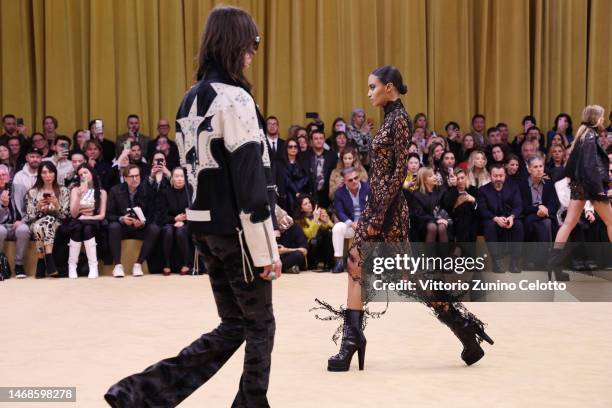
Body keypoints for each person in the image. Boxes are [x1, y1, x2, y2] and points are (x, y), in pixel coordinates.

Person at [105, 6, 281, 408]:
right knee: (260, 326)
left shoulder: (189, 99)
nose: (254, 52)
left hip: (205, 229)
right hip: (237, 233)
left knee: (235, 324)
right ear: (235, 43)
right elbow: (248, 179)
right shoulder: (236, 99)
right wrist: (266, 250)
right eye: (252, 43)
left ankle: (139, 393)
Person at [323, 65, 493, 374]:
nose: (369, 91)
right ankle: (351, 340)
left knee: (409, 280)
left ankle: (464, 327)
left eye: (373, 86)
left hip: (388, 212)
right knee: (355, 262)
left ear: (389, 87)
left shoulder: (400, 119)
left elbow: (400, 170)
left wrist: (377, 216)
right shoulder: (389, 117)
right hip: (378, 206)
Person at [548, 105, 612, 276]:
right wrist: (598, 190)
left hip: (579, 185)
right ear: (596, 118)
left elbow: (570, 167)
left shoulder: (581, 135)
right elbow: (590, 167)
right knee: (611, 222)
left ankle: (552, 264)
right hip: (591, 186)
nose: (604, 119)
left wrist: (576, 182)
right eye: (602, 116)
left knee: (568, 223)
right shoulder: (591, 136)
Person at [105, 164, 160, 278]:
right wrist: (121, 219)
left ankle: (138, 263)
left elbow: (154, 213)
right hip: (124, 227)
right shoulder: (115, 190)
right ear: (125, 178)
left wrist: (144, 222)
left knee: (154, 229)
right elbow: (109, 214)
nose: (135, 179)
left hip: (141, 228)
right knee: (113, 227)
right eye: (131, 176)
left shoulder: (148, 190)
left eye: (137, 176)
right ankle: (118, 265)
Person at [22, 162, 70, 278]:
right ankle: (48, 258)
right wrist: (38, 208)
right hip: (36, 224)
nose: (48, 175)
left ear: (55, 174)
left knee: (48, 219)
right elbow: (29, 217)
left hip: (57, 223)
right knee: (40, 225)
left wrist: (57, 205)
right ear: (40, 175)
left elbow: (65, 216)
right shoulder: (32, 192)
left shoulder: (64, 191)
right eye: (44, 172)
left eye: (50, 172)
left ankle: (41, 261)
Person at [477, 164, 524, 272]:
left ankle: (514, 262)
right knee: (489, 226)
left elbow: (518, 205)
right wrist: (495, 218)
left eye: (501, 175)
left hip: (509, 218)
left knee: (519, 225)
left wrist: (512, 217)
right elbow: (482, 210)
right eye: (495, 175)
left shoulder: (513, 187)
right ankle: (496, 261)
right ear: (490, 176)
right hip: (492, 219)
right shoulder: (483, 190)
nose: (498, 178)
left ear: (505, 175)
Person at [67, 163, 107, 279]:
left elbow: (102, 215)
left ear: (92, 173)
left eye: (85, 172)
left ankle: (93, 266)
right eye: (80, 174)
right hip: (78, 221)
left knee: (88, 228)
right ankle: (72, 266)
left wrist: (88, 217)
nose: (83, 176)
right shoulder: (75, 190)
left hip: (93, 221)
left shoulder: (102, 192)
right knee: (78, 227)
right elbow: (73, 214)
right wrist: (79, 196)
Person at [331, 168, 370, 273]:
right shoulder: (339, 192)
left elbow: (373, 208)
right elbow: (339, 212)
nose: (354, 181)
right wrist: (350, 223)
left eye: (356, 178)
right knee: (337, 228)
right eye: (350, 180)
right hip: (350, 225)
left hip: (367, 224)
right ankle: (339, 261)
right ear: (344, 181)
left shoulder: (368, 188)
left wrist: (362, 221)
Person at [159, 167, 193, 276]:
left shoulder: (191, 190)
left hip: (188, 223)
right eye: (176, 176)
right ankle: (167, 263)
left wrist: (184, 220)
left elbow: (195, 209)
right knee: (168, 231)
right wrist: (175, 219)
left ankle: (187, 263)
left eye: (182, 176)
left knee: (180, 231)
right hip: (169, 222)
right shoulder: (165, 192)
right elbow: (162, 215)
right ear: (172, 178)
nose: (179, 179)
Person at [0, 164, 30, 278]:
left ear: (9, 176)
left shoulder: (21, 188)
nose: (2, 178)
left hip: (18, 224)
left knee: (23, 229)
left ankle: (19, 265)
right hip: (1, 225)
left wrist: (22, 221)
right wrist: (3, 206)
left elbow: (30, 210)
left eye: (4, 175)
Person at [299, 129, 338, 209]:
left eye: (321, 138)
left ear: (324, 140)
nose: (319, 141)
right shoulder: (303, 156)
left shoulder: (332, 156)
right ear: (311, 141)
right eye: (316, 138)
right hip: (309, 194)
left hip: (326, 195)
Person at [294, 194, 333, 270]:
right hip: (311, 246)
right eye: (305, 204)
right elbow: (309, 235)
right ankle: (314, 264)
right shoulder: (299, 220)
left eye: (309, 202)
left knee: (329, 234)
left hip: (324, 243)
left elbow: (332, 227)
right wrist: (315, 220)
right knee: (314, 240)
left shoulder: (321, 211)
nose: (309, 205)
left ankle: (329, 263)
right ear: (301, 208)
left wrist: (326, 221)